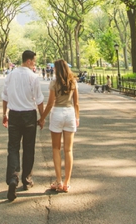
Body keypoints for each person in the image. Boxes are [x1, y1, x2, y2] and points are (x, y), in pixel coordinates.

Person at [1, 50, 45, 201]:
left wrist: (4, 113)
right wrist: (42, 117)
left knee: (13, 148)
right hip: (29, 116)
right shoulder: (33, 77)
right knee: (28, 148)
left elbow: (5, 96)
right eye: (34, 61)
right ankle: (27, 180)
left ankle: (13, 178)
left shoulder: (11, 75)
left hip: (14, 114)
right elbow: (39, 100)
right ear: (28, 61)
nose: (35, 64)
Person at [40, 59, 80, 193]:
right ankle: (67, 183)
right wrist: (77, 117)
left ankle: (58, 181)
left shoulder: (54, 83)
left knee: (56, 149)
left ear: (57, 69)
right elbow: (76, 103)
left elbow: (50, 103)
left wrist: (42, 118)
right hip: (69, 114)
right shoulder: (73, 82)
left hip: (57, 113)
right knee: (68, 150)